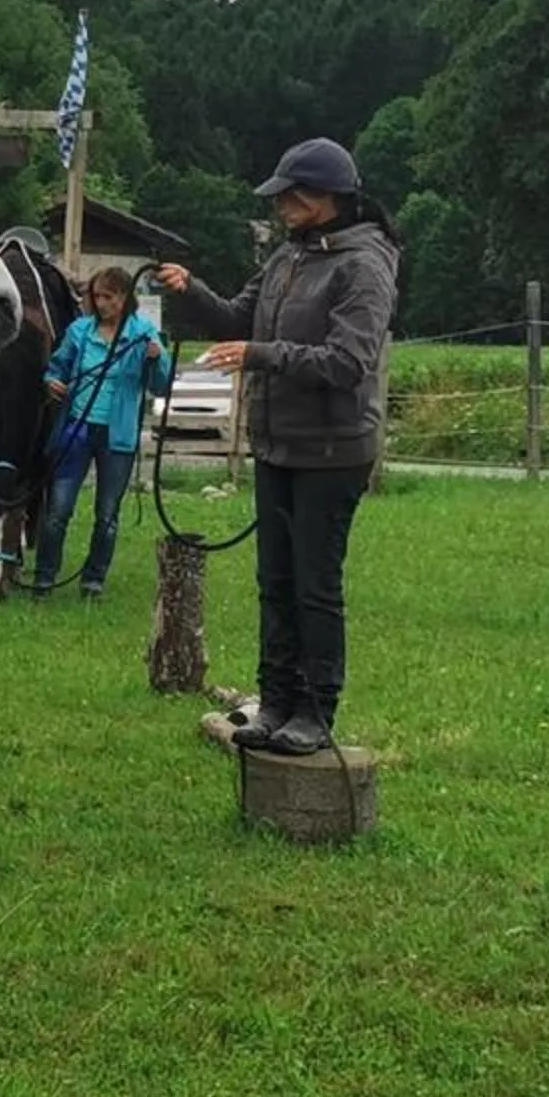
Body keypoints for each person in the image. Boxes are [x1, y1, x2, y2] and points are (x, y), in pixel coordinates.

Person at [153, 137, 401, 755]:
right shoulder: (289, 257)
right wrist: (193, 291)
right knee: (274, 580)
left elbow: (348, 361)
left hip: (332, 451)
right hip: (279, 444)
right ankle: (277, 702)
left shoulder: (363, 265)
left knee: (313, 586)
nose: (280, 206)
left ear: (325, 199)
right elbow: (239, 316)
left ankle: (316, 712)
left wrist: (261, 357)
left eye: (290, 196)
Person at [31, 263, 171, 599]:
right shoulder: (80, 331)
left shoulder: (142, 334)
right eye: (96, 296)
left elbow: (161, 387)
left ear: (124, 298)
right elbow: (56, 368)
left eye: (107, 296)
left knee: (107, 514)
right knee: (58, 510)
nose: (100, 303)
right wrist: (52, 382)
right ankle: (44, 578)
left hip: (117, 436)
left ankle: (93, 581)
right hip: (77, 428)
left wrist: (158, 359)